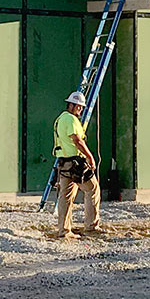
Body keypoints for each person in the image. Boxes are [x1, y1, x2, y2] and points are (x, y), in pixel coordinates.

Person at [51, 89, 101, 238]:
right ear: (72, 106)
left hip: (64, 164)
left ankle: (64, 231)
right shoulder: (71, 120)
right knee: (93, 189)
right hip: (76, 164)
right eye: (79, 106)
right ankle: (91, 227)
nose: (80, 109)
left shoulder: (60, 119)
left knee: (65, 196)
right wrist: (90, 156)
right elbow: (77, 140)